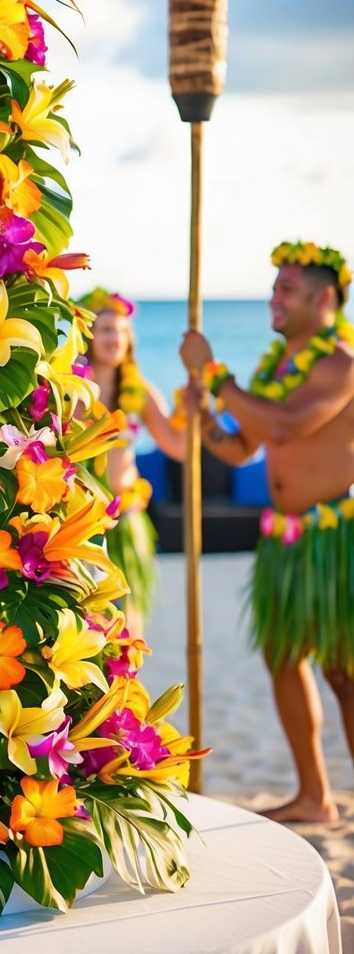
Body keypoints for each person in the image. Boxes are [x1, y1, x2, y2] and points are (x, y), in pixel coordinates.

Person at [180, 240, 354, 824]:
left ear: (324, 298)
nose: (273, 299)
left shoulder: (341, 365)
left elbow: (287, 426)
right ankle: (315, 795)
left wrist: (214, 372)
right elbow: (241, 448)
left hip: (333, 539)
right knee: (283, 658)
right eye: (274, 287)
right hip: (285, 540)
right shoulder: (272, 371)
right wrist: (206, 416)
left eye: (286, 289)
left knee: (344, 670)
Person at [81, 288, 185, 634]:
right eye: (108, 329)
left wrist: (191, 409)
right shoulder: (73, 391)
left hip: (126, 521)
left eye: (123, 331)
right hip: (83, 523)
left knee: (127, 627)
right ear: (90, 333)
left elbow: (177, 446)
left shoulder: (140, 392)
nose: (116, 338)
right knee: (89, 624)